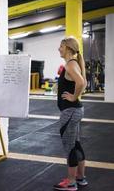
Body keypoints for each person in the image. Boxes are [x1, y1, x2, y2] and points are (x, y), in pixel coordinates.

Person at [53, 37, 88, 191]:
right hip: (75, 111)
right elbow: (81, 82)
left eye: (61, 46)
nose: (58, 49)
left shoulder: (70, 65)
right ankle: (80, 178)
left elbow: (81, 83)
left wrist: (74, 97)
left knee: (70, 147)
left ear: (67, 48)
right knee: (76, 144)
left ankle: (71, 182)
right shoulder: (73, 64)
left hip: (70, 111)